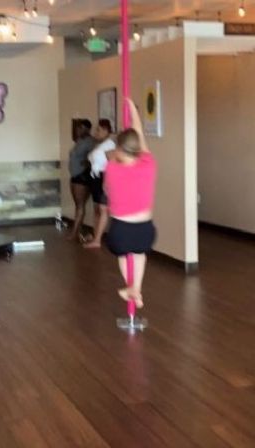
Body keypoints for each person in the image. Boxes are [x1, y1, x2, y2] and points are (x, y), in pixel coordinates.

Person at [105, 99, 157, 308]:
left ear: (118, 148)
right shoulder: (149, 164)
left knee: (124, 255)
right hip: (145, 229)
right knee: (139, 255)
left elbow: (108, 188)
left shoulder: (112, 168)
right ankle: (136, 288)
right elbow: (139, 137)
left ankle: (132, 287)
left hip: (121, 230)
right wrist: (134, 112)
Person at [83, 119, 116, 249]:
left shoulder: (110, 144)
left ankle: (98, 239)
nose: (96, 132)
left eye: (99, 130)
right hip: (96, 177)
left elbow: (111, 164)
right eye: (96, 129)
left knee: (102, 208)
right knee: (97, 208)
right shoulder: (99, 144)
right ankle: (95, 234)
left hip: (103, 177)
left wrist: (107, 181)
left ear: (107, 131)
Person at [67, 119, 97, 242]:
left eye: (81, 128)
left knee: (80, 206)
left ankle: (74, 234)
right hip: (75, 176)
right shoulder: (79, 141)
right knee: (78, 206)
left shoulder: (90, 142)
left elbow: (94, 157)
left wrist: (87, 162)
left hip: (82, 177)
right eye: (78, 128)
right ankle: (78, 231)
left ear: (87, 129)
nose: (78, 130)